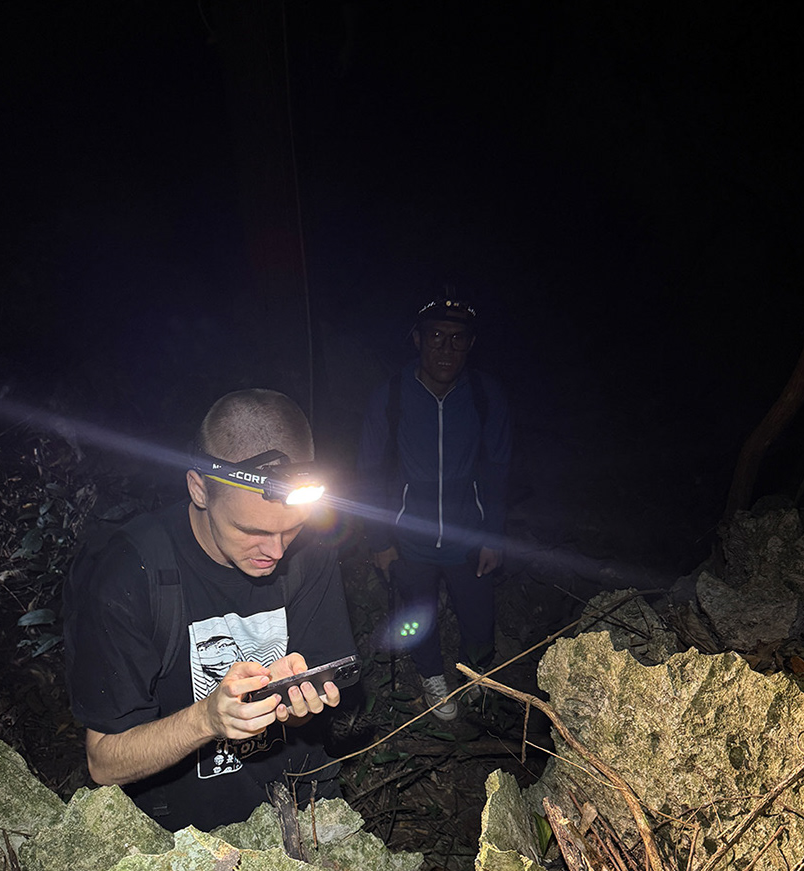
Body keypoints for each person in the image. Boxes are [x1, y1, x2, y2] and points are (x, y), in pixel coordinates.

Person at [65, 389, 356, 832]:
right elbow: (104, 762)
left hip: (301, 799)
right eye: (250, 530)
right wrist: (208, 719)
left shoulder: (309, 553)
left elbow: (318, 672)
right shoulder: (130, 572)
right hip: (188, 833)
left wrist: (301, 699)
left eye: (290, 529)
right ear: (199, 488)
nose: (275, 551)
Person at [357, 297, 512, 719]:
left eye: (457, 339)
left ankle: (476, 676)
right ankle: (432, 677)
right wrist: (379, 540)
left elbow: (499, 468)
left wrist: (493, 534)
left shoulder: (484, 394)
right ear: (417, 340)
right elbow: (369, 471)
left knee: (479, 619)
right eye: (436, 337)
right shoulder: (390, 395)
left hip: (468, 532)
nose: (446, 349)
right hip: (410, 536)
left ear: (471, 344)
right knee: (416, 615)